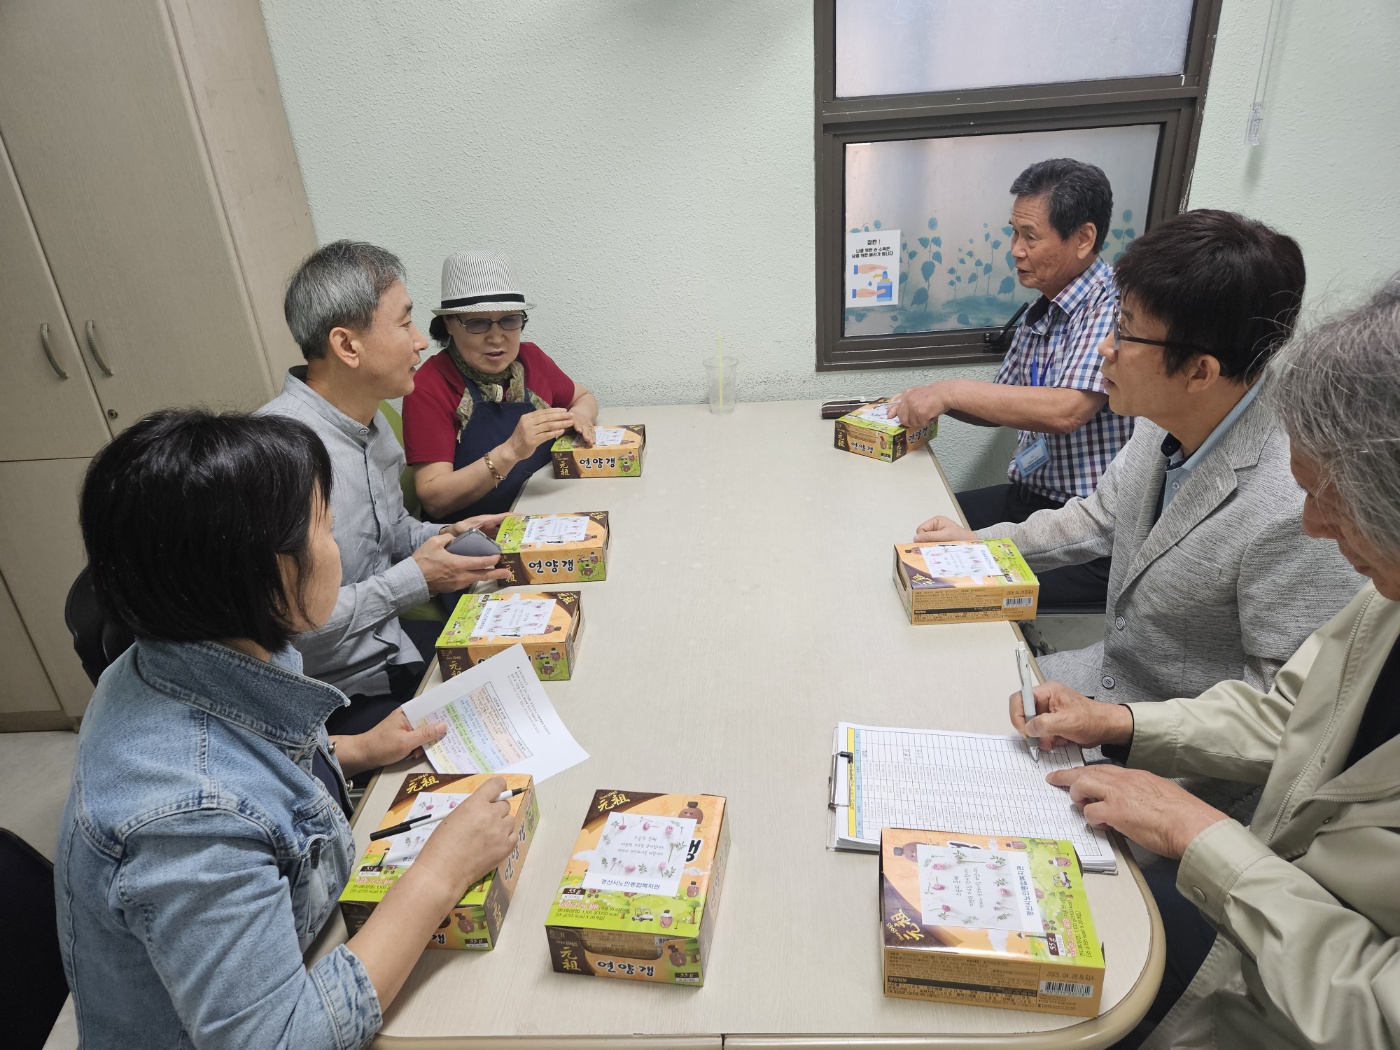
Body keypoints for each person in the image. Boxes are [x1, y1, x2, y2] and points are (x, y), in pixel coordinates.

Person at [1012, 277, 1400, 1049]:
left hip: (1286, 960)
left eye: (1337, 498)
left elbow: (1375, 1011)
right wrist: (1117, 723)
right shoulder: (1384, 591)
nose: (1316, 525)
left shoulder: (1329, 542)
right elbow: (1289, 713)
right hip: (1260, 905)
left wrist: (1201, 835)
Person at [56, 409, 518, 1049]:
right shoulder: (188, 820)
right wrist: (441, 872)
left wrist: (352, 749)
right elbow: (279, 1040)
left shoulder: (176, 651)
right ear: (271, 573)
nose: (335, 550)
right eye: (326, 530)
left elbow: (245, 755)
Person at [914, 211, 1361, 804]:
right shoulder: (1161, 420)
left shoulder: (1296, 507)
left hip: (1180, 773)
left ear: (1200, 371)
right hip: (1097, 694)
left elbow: (1281, 720)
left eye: (1124, 331)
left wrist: (1124, 738)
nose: (1106, 348)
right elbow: (1095, 518)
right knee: (934, 710)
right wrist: (985, 548)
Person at [259, 241, 511, 734]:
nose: (421, 341)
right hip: (332, 698)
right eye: (404, 323)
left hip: (391, 646)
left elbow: (389, 528)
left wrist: (447, 533)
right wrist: (417, 578)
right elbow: (291, 631)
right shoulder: (276, 458)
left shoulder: (371, 420)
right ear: (347, 345)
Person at [889, 158, 1133, 609]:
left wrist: (949, 391)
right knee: (910, 533)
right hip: (1028, 501)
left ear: (1083, 238)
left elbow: (1067, 411)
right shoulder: (1044, 306)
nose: (1016, 249)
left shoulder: (1115, 306)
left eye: (1030, 236)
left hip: (1086, 533)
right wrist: (924, 401)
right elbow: (998, 405)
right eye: (1013, 234)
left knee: (941, 586)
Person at [402, 251, 597, 522]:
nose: (497, 337)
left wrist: (581, 417)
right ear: (449, 324)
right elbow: (435, 500)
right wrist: (511, 451)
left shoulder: (532, 360)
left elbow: (583, 397)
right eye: (477, 323)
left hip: (542, 516)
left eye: (510, 320)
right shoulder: (428, 387)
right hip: (472, 539)